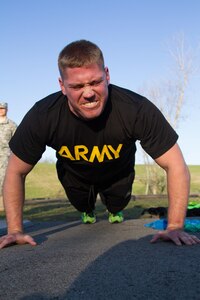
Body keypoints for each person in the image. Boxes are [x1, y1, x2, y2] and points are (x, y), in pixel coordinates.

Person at [0, 40, 199, 249]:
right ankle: (88, 209)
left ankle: (114, 209)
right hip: (74, 173)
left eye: (95, 82)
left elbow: (175, 164)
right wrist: (15, 230)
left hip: (118, 172)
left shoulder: (136, 109)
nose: (88, 93)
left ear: (107, 75)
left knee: (117, 204)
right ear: (62, 86)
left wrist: (175, 226)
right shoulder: (43, 115)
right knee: (81, 204)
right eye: (77, 86)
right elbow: (16, 172)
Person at [0, 102, 17, 211]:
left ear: (7, 110)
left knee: (4, 180)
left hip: (5, 157)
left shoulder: (12, 125)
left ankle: (2, 206)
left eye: (3, 108)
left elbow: (17, 142)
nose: (1, 110)